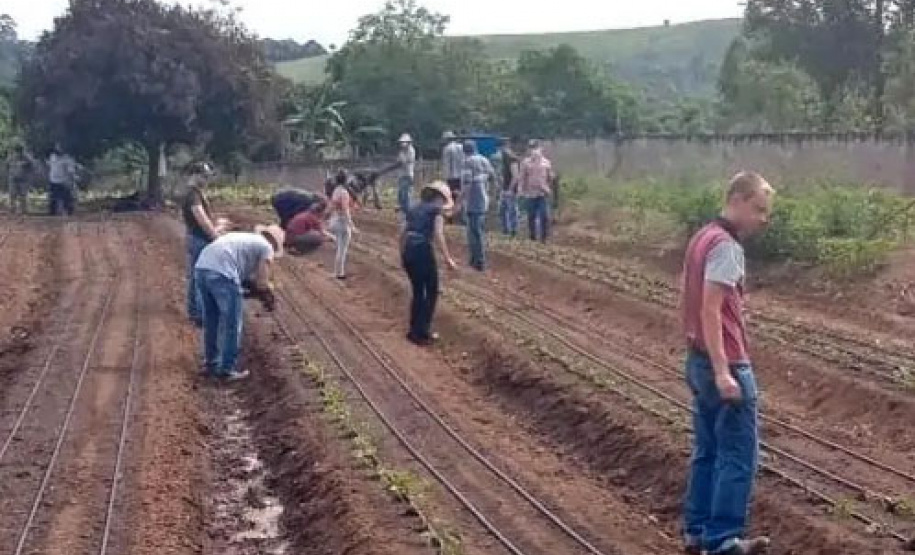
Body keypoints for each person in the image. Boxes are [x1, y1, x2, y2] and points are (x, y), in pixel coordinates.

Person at [681, 171, 775, 555]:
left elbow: (685, 294)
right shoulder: (726, 247)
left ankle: (698, 531)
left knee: (708, 450)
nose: (762, 218)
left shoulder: (701, 237)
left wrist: (701, 357)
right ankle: (723, 540)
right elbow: (710, 308)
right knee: (738, 455)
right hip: (726, 365)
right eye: (758, 209)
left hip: (698, 360)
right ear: (736, 199)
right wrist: (723, 371)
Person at [194, 225, 284, 380]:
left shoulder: (244, 239)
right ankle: (226, 370)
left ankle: (211, 364)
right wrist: (268, 293)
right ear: (275, 244)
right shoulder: (266, 248)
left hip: (202, 268)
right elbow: (262, 282)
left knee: (212, 320)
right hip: (222, 272)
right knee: (232, 323)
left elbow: (246, 277)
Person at [400, 181, 457, 346]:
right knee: (431, 291)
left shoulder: (413, 209)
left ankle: (413, 331)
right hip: (423, 250)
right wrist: (448, 259)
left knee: (418, 291)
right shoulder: (436, 212)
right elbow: (439, 234)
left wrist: (401, 255)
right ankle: (423, 332)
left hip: (409, 250)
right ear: (440, 197)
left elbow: (402, 233)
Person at [183, 162, 228, 328]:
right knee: (202, 278)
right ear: (195, 175)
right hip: (199, 240)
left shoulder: (195, 194)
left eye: (208, 176)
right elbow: (201, 219)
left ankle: (195, 312)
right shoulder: (193, 195)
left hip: (197, 238)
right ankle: (200, 315)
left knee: (196, 276)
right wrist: (216, 237)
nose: (207, 179)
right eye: (204, 176)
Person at [461, 140, 496, 271]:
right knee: (477, 230)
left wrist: (459, 200)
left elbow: (467, 184)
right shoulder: (485, 160)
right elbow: (493, 177)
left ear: (465, 151)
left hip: (472, 201)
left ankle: (478, 261)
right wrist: (491, 193)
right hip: (483, 200)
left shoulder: (467, 162)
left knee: (474, 232)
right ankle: (475, 260)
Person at [518, 140, 554, 243]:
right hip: (530, 193)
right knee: (531, 216)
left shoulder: (546, 162)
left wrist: (550, 185)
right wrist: (520, 190)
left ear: (540, 148)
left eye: (535, 147)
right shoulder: (525, 162)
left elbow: (549, 177)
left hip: (543, 192)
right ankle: (532, 236)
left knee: (544, 215)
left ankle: (544, 238)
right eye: (531, 148)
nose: (534, 150)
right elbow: (522, 177)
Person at [327, 170, 358, 280]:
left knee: (339, 248)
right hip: (342, 223)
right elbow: (345, 210)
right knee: (342, 249)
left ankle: (337, 272)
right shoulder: (344, 193)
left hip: (335, 220)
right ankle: (339, 273)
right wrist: (351, 225)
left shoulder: (335, 191)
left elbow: (331, 207)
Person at [496, 140, 521, 237]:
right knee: (502, 210)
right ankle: (505, 230)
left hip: (510, 189)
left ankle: (513, 231)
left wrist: (510, 190)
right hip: (505, 188)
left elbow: (515, 176)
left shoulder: (511, 159)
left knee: (512, 210)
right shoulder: (504, 158)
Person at [47, 145, 79, 216]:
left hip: (63, 181)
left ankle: (67, 213)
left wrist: (72, 180)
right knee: (53, 198)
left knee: (66, 199)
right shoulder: (52, 157)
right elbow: (50, 166)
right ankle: (53, 214)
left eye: (60, 147)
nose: (58, 148)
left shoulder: (68, 159)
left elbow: (71, 171)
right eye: (57, 147)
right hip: (53, 180)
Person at [441, 131, 465, 222]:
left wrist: (445, 178)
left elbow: (446, 165)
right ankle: (461, 217)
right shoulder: (461, 147)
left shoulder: (447, 149)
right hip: (461, 176)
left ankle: (451, 218)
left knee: (450, 197)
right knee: (460, 196)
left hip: (451, 177)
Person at [6, 145, 36, 215]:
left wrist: (26, 166)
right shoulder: (11, 157)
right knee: (12, 194)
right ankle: (12, 209)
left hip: (23, 179)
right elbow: (6, 165)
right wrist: (10, 173)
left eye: (19, 152)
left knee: (23, 195)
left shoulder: (27, 157)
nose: (18, 154)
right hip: (13, 178)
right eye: (17, 152)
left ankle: (24, 210)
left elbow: (32, 166)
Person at [395, 134, 416, 215]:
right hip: (401, 175)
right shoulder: (401, 152)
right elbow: (398, 161)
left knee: (405, 194)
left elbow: (405, 162)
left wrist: (400, 162)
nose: (403, 144)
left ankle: (408, 211)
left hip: (408, 175)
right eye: (402, 142)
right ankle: (403, 210)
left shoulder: (411, 151)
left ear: (409, 142)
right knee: (401, 193)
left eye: (404, 142)